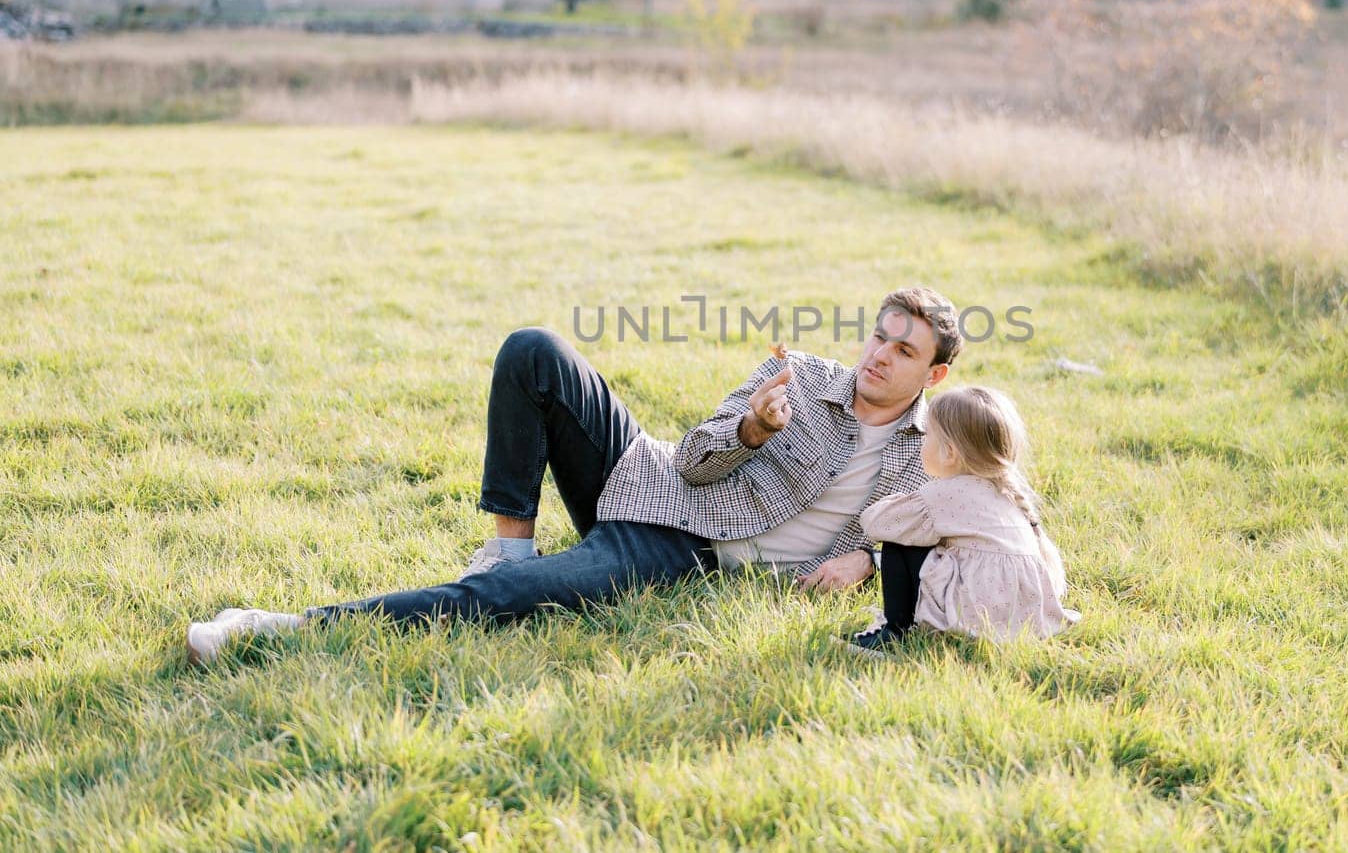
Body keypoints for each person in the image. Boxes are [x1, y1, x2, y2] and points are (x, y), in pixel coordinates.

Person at [186, 287, 961, 665]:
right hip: (657, 480)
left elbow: (948, 521)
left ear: (935, 372)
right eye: (878, 335)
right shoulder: (800, 375)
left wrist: (861, 557)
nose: (877, 355)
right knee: (535, 349)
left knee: (500, 606)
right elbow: (693, 457)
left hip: (679, 551)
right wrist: (753, 427)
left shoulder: (924, 451)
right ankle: (510, 548)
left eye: (902, 350)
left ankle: (275, 625)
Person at [844, 386, 1078, 657]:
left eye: (928, 435)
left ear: (950, 453)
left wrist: (902, 501)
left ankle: (895, 630)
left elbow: (877, 523)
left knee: (899, 542)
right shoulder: (1008, 494)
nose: (923, 443)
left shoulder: (946, 493)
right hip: (1020, 615)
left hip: (974, 610)